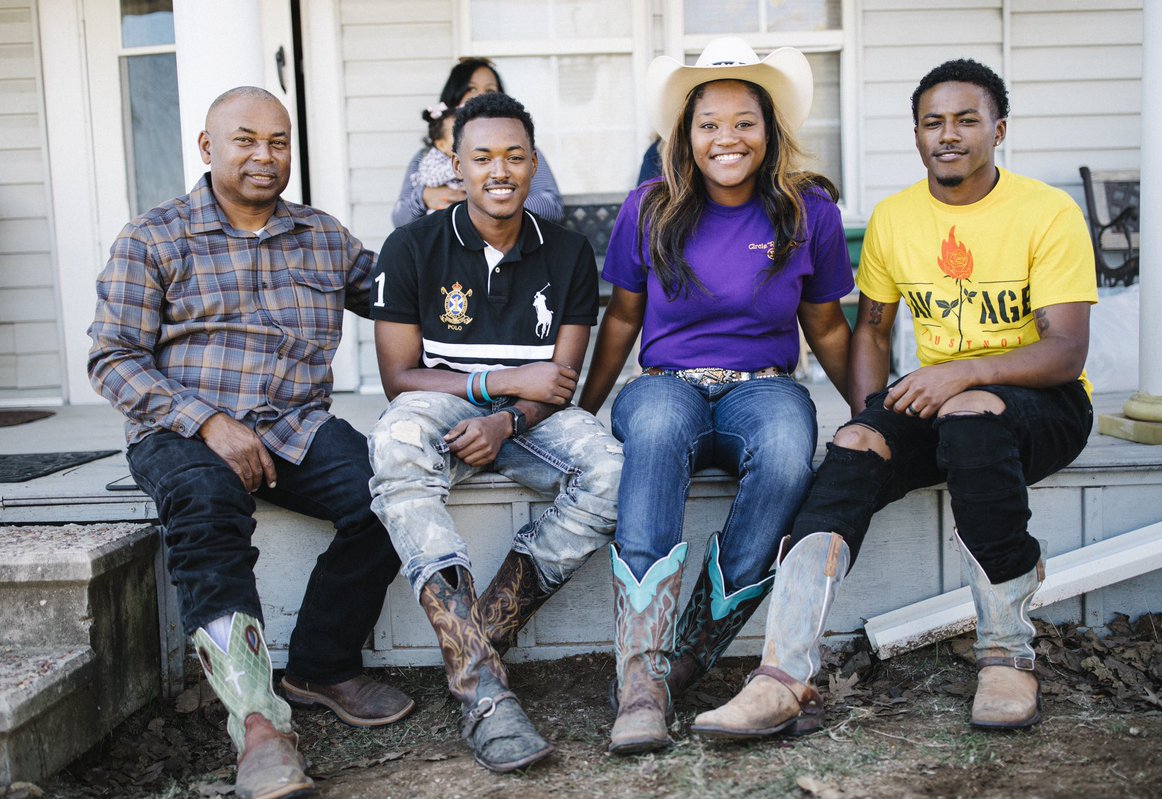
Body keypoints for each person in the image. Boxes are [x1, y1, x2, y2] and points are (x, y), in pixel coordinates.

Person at [694, 58, 1097, 740]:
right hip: (941, 403)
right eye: (933, 121)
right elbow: (872, 330)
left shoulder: (1047, 211)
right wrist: (872, 414)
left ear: (998, 129)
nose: (949, 134)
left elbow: (1066, 350)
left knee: (970, 419)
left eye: (967, 119)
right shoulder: (895, 218)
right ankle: (783, 676)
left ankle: (1006, 651)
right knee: (853, 446)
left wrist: (962, 375)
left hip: (1043, 403)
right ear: (915, 135)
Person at [87, 87, 416, 798]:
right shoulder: (154, 237)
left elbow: (400, 291)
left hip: (294, 424)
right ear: (208, 149)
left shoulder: (322, 236)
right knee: (206, 509)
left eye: (278, 141)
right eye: (245, 140)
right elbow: (112, 357)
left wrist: (456, 215)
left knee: (390, 493)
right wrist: (207, 421)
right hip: (183, 429)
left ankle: (322, 666)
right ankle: (259, 723)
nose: (264, 156)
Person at [577, 36, 855, 754]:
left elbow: (825, 324)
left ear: (769, 131)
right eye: (708, 124)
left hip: (762, 388)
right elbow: (624, 317)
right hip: (663, 384)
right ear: (685, 135)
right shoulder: (650, 206)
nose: (726, 138)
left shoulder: (808, 210)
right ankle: (639, 682)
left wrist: (870, 411)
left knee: (792, 446)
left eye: (744, 122)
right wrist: (582, 409)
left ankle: (691, 652)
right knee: (661, 428)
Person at [368, 92, 622, 773]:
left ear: (534, 164)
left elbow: (560, 381)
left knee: (610, 467)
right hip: (449, 404)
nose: (499, 170)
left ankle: (475, 642)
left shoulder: (567, 253)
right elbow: (400, 377)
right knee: (394, 440)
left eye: (514, 156)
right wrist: (499, 388)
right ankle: (482, 686)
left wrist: (509, 418)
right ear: (456, 163)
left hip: (530, 420)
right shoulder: (413, 245)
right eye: (481, 157)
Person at [391, 57, 563, 226]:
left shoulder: (520, 149)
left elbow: (551, 206)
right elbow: (400, 218)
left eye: (490, 90)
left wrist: (486, 204)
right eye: (471, 89)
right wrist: (424, 197)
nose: (480, 96)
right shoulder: (427, 156)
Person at [410, 100, 461, 213]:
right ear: (441, 145)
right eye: (458, 135)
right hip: (439, 209)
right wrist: (457, 168)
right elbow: (430, 178)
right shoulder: (432, 158)